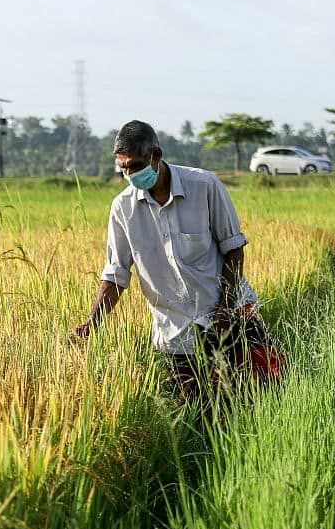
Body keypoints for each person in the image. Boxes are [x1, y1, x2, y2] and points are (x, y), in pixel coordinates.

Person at [71, 120, 282, 397]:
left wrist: (226, 309)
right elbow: (116, 275)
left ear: (156, 156)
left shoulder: (205, 186)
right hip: (175, 333)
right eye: (123, 167)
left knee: (264, 394)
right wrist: (92, 322)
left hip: (232, 317)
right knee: (195, 415)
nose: (129, 174)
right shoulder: (123, 208)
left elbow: (234, 248)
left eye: (134, 166)